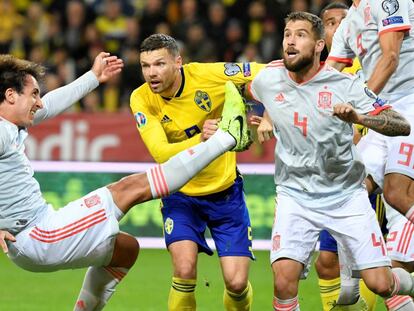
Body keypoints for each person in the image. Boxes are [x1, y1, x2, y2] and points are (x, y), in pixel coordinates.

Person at [0, 53, 251, 311]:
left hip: (34, 230)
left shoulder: (13, 123)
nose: (39, 103)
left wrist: (93, 77)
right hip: (36, 235)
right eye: (34, 94)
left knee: (125, 250)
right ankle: (227, 138)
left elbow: (51, 104)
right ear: (10, 95)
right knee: (130, 188)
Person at [248, 11, 413, 311]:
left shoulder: (344, 85)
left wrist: (358, 117)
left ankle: (405, 283)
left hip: (346, 197)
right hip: (294, 196)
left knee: (380, 283)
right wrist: (246, 120)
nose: (290, 40)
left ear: (319, 45)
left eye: (300, 35)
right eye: (287, 34)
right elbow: (234, 89)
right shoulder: (268, 78)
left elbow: (400, 123)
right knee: (284, 280)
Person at [130, 33, 263, 311]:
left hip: (225, 193)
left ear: (178, 62)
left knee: (237, 285)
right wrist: (206, 139)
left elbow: (263, 72)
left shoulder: (207, 75)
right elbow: (160, 152)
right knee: (184, 270)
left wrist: (267, 107)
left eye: (159, 64)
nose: (151, 73)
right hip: (180, 194)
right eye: (145, 66)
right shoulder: (141, 98)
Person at [326, 0, 414, 242]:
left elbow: (391, 57)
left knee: (396, 193)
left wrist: (360, 106)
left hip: (409, 102)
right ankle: (355, 278)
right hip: (382, 111)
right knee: (350, 190)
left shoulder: (387, 1)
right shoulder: (349, 23)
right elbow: (327, 75)